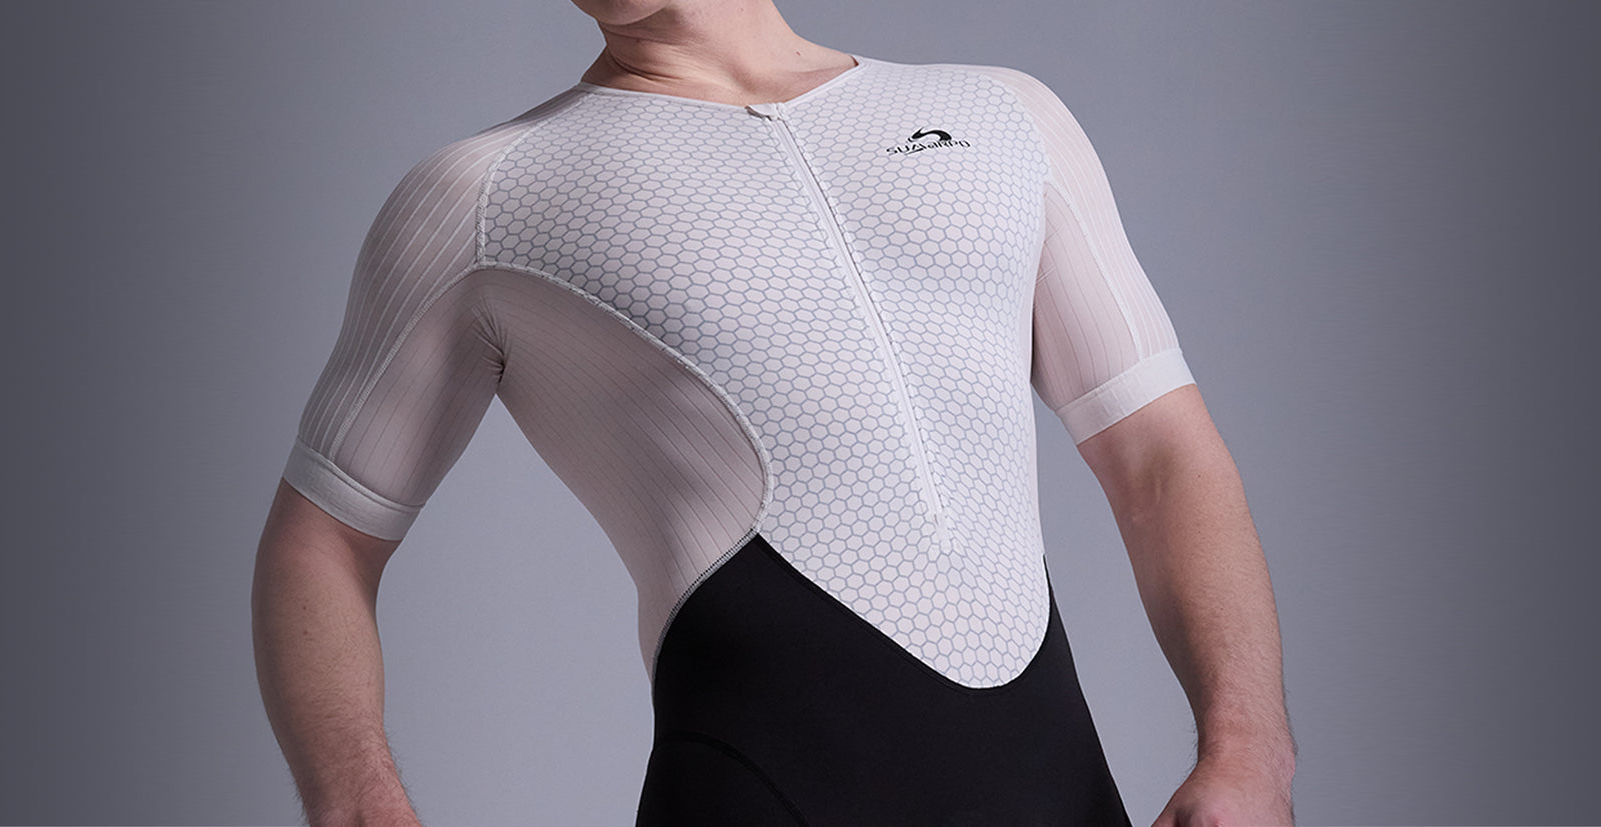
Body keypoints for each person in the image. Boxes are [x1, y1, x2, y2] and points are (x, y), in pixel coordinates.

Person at [251, 1, 1295, 824]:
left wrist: (1250, 749)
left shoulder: (1002, 116)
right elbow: (319, 541)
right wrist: (358, 806)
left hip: (1053, 790)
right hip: (757, 787)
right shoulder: (485, 195)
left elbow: (1160, 457)